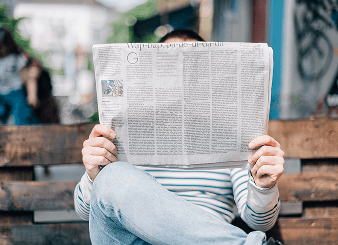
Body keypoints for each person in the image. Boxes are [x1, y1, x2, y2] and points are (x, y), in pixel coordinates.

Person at [74, 29, 284, 245]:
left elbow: (259, 221)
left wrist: (264, 187)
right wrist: (93, 175)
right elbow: (86, 211)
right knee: (112, 177)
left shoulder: (231, 135)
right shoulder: (122, 132)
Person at [0, 26, 40, 125]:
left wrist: (32, 95)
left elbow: (29, 76)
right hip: (1, 94)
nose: (2, 49)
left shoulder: (17, 57)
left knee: (19, 118)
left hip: (16, 93)